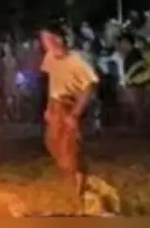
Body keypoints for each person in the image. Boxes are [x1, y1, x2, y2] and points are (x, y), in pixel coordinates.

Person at [39, 29, 99, 196]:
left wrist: (75, 113)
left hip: (69, 104)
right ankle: (72, 173)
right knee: (51, 141)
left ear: (58, 39)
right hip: (56, 104)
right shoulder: (49, 58)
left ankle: (78, 178)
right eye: (43, 39)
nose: (45, 43)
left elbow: (88, 86)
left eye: (48, 38)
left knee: (69, 144)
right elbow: (52, 82)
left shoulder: (76, 61)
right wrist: (49, 107)